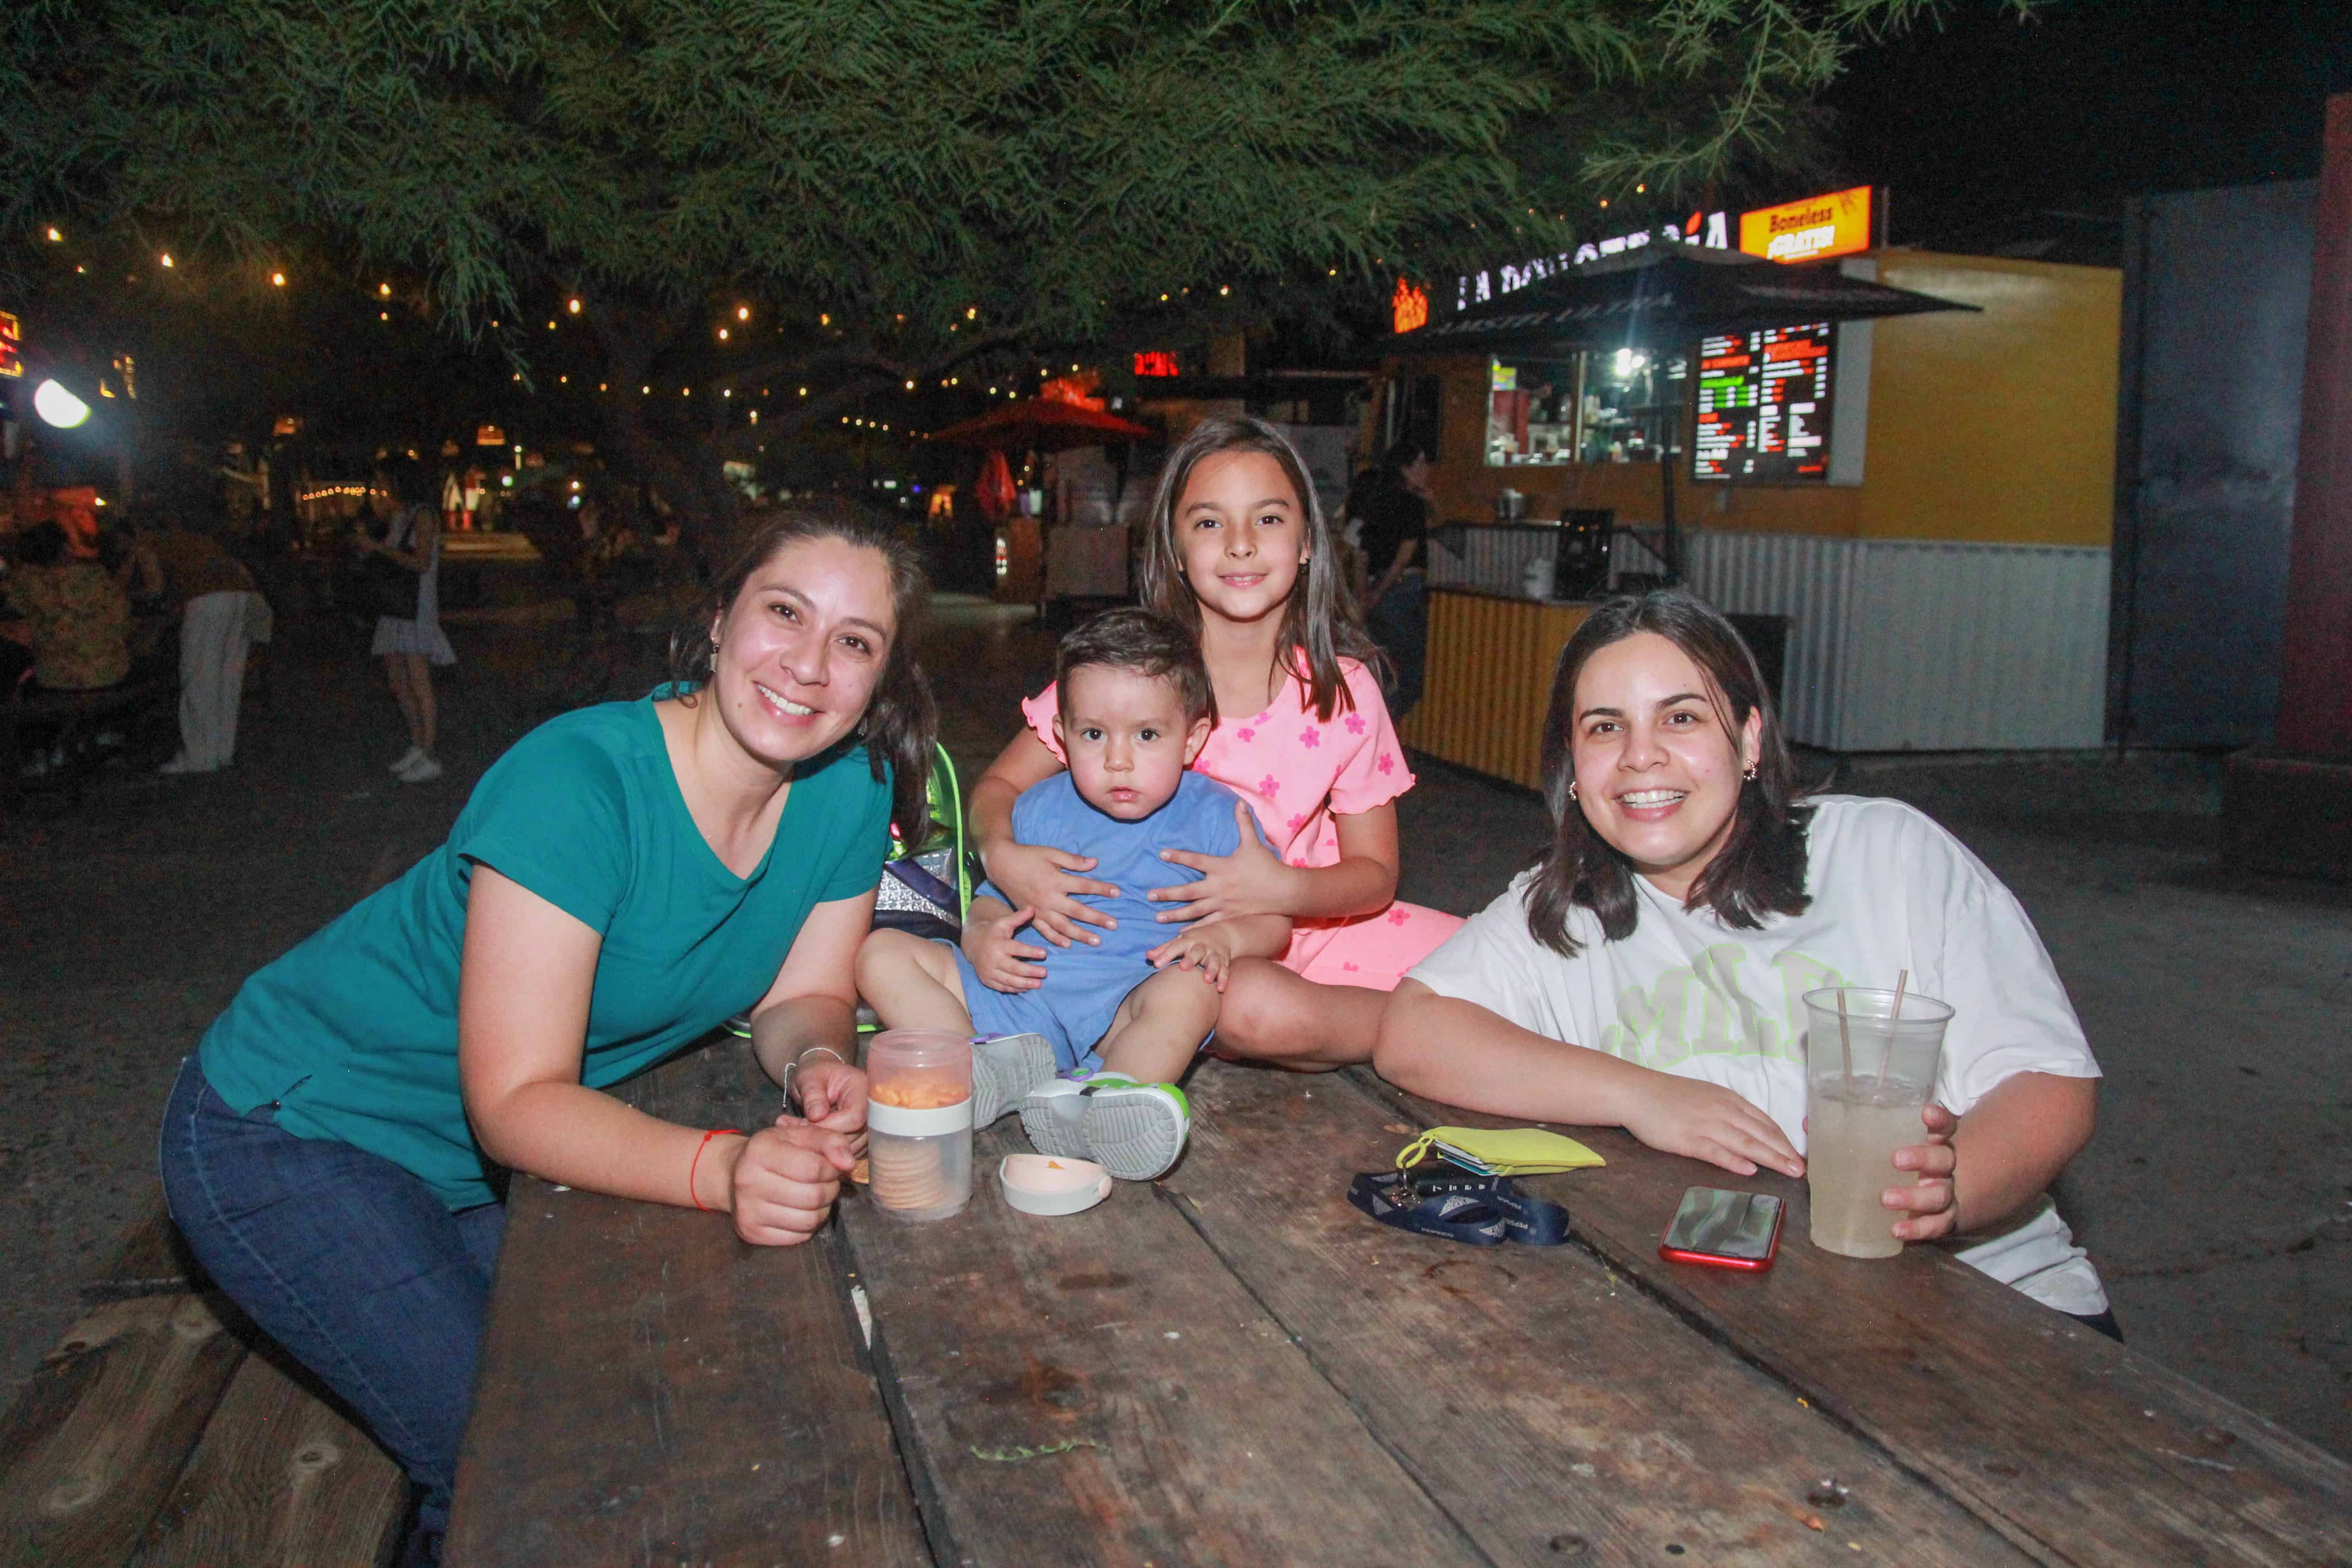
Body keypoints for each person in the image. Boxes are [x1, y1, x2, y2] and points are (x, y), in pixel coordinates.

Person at [158, 508, 936, 1567]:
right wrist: (725, 1165)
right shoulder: (582, 779)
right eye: (783, 612)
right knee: (507, 1458)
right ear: (717, 619)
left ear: (880, 677)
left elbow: (806, 993)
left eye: (855, 641)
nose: (808, 663)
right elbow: (517, 1098)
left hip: (472, 1168)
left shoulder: (852, 788)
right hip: (294, 1125)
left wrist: (817, 1063)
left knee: (628, 1400)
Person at [1375, 589, 2113, 1331]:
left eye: (1681, 717)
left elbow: (2047, 1079)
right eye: (1605, 727)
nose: (1640, 756)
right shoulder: (1563, 908)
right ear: (1571, 764)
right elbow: (1415, 1032)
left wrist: (1953, 1189)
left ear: (1749, 739)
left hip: (1998, 1315)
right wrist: (1643, 1095)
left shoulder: (1887, 855)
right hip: (1748, 1328)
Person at [971, 415, 1463, 1073]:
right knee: (1250, 1011)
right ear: (1173, 548)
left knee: (1496, 967)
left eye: (1267, 519)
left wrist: (1279, 888)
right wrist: (1003, 856)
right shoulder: (1125, 683)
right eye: (1208, 522)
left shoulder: (1341, 692)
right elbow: (998, 788)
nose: (1239, 545)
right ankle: (1430, 1030)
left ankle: (1457, 1020)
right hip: (1171, 962)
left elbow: (1374, 878)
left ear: (1309, 540)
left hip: (1312, 924)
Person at [858, 608, 1293, 1180]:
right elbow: (994, 895)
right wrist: (981, 930)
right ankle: (977, 1061)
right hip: (1018, 1001)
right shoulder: (1039, 806)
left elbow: (1275, 924)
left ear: (1193, 739)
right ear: (1062, 736)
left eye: (1147, 735)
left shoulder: (1219, 819)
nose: (1118, 759)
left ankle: (1110, 1098)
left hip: (1124, 1010)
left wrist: (1225, 937)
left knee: (1192, 989)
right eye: (1094, 734)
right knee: (880, 953)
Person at [146, 514, 274, 775]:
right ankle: (221, 751)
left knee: (200, 677)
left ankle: (199, 758)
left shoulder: (151, 543)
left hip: (207, 599)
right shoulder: (200, 542)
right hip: (240, 596)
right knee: (228, 676)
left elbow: (155, 588)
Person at [364, 456, 456, 783]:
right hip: (396, 607)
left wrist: (378, 548)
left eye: (384, 482)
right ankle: (418, 744)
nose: (380, 489)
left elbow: (421, 563)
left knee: (418, 680)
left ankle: (429, 752)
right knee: (398, 680)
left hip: (415, 606)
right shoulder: (400, 516)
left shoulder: (423, 516)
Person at [3, 519, 131, 694]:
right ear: (65, 549)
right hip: (111, 677)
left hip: (56, 683)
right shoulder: (98, 578)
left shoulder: (24, 584)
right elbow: (123, 621)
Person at [1354, 441, 1433, 722]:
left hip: (1378, 593)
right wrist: (1381, 590)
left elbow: (1362, 554)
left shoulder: (1377, 501)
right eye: (1421, 464)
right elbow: (1405, 556)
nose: (1427, 470)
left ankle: (1373, 730)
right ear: (1406, 469)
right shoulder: (1413, 505)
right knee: (1411, 675)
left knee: (1382, 668)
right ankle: (1384, 732)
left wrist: (1366, 594)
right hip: (1401, 591)